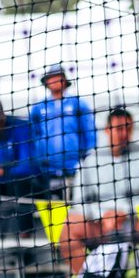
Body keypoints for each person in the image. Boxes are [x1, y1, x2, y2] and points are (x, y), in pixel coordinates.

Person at [59, 107, 139, 278]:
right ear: (107, 130)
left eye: (128, 128)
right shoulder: (90, 161)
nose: (124, 133)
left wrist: (124, 212)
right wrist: (102, 216)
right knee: (69, 228)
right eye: (119, 128)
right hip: (100, 225)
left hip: (134, 223)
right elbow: (79, 202)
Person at [29, 64, 95, 199]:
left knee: (74, 203)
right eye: (51, 78)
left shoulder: (78, 104)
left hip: (74, 167)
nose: (54, 81)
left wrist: (87, 157)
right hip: (46, 169)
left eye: (57, 77)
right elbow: (33, 135)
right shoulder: (38, 107)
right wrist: (38, 158)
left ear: (64, 80)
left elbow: (89, 131)